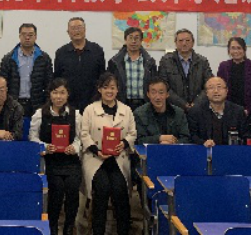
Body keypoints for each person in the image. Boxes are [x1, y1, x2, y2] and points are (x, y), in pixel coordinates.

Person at [81, 73, 137, 235]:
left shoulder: (126, 110)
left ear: (118, 90)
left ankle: (123, 231)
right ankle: (98, 231)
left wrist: (124, 143)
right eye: (105, 87)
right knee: (102, 189)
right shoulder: (90, 109)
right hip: (95, 159)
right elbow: (84, 134)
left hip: (119, 159)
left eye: (113, 87)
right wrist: (96, 150)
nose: (109, 91)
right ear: (99, 89)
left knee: (120, 191)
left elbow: (132, 133)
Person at [29, 79, 82, 235]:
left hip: (71, 161)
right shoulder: (40, 114)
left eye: (62, 93)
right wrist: (45, 147)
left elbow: (80, 138)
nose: (59, 97)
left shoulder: (75, 114)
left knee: (73, 188)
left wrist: (75, 147)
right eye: (55, 92)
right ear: (50, 94)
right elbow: (32, 138)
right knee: (56, 189)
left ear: (68, 94)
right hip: (50, 161)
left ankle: (68, 227)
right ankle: (52, 227)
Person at [0, 23, 53, 117]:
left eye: (30, 35)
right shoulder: (8, 59)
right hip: (14, 103)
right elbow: (3, 84)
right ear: (19, 36)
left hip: (37, 104)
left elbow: (49, 84)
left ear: (35, 37)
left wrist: (47, 104)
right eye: (24, 34)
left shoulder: (44, 58)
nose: (27, 38)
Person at [54, 17, 106, 113]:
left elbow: (102, 77)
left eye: (79, 27)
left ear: (85, 30)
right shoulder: (61, 52)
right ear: (68, 32)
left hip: (93, 102)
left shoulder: (97, 50)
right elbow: (57, 79)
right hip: (68, 104)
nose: (76, 31)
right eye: (73, 28)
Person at [158, 29, 213, 112]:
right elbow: (163, 86)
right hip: (173, 109)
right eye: (180, 40)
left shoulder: (202, 62)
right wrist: (183, 104)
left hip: (199, 109)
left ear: (193, 43)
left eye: (187, 40)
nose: (184, 43)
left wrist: (196, 103)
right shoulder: (166, 61)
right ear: (175, 43)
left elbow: (209, 85)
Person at [107, 26, 159, 110]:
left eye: (136, 38)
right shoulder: (115, 62)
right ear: (125, 40)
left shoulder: (150, 62)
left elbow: (155, 84)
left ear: (141, 41)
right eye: (130, 38)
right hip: (122, 104)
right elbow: (110, 85)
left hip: (145, 104)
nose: (133, 41)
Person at [187, 77, 247, 147]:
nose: (216, 91)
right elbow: (192, 136)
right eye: (211, 87)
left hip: (232, 152)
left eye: (219, 87)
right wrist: (203, 143)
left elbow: (245, 136)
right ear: (206, 93)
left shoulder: (238, 111)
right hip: (204, 151)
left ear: (226, 91)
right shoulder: (195, 111)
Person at [135, 77, 191, 145]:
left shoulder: (179, 113)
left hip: (174, 149)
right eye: (153, 93)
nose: (158, 97)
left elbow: (186, 138)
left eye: (161, 93)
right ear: (148, 94)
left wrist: (172, 143)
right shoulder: (139, 114)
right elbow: (139, 140)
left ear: (167, 94)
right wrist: (160, 138)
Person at [217, 37, 251, 116]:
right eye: (233, 48)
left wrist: (249, 110)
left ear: (244, 50)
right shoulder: (223, 66)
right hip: (227, 111)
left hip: (249, 112)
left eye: (239, 48)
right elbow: (219, 89)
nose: (236, 51)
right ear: (229, 50)